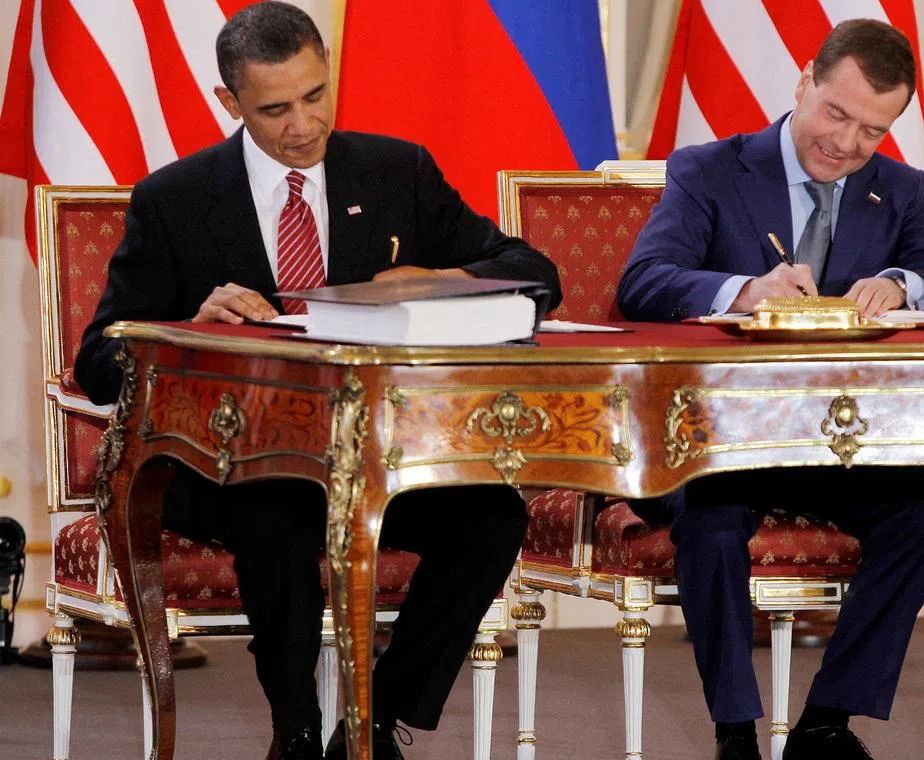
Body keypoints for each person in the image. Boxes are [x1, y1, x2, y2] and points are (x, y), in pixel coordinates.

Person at [74, 4, 561, 759]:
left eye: (316, 96)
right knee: (281, 514)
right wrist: (192, 328)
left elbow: (535, 275)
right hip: (231, 463)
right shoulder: (174, 200)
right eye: (275, 109)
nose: (303, 124)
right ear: (229, 103)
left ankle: (374, 721)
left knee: (491, 515)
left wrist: (438, 279)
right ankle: (295, 730)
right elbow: (99, 361)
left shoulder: (397, 171)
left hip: (375, 459)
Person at [617, 19, 924, 760]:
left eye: (872, 131)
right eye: (836, 114)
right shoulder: (710, 170)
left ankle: (825, 724)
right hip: (714, 440)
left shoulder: (898, 188)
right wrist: (746, 290)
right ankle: (735, 735)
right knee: (712, 527)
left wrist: (898, 279)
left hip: (835, 443)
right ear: (804, 82)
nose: (846, 145)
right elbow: (643, 283)